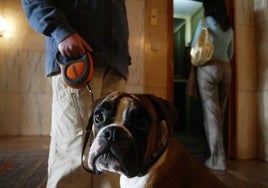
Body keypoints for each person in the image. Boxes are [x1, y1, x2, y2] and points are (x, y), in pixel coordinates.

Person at [21, 0, 131, 187]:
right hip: (76, 59)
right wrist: (61, 31)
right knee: (74, 148)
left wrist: (123, 59)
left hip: (114, 65)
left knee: (111, 150)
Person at [191, 0, 234, 171]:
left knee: (211, 115)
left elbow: (195, 48)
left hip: (208, 68)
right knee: (219, 114)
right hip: (226, 69)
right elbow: (230, 54)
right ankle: (213, 155)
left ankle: (217, 159)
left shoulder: (204, 23)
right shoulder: (229, 28)